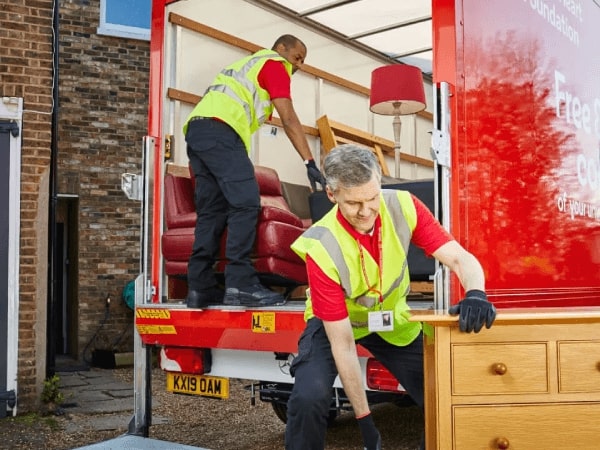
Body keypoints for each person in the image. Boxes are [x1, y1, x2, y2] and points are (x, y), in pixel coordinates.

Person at [285, 144, 496, 450]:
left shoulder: (403, 206)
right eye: (354, 203)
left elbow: (459, 258)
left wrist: (476, 292)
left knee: (447, 389)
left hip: (390, 319)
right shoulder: (321, 244)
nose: (366, 210)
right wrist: (364, 420)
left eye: (372, 197)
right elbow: (343, 345)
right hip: (334, 325)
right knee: (309, 397)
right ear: (332, 195)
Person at [183, 34, 326, 309]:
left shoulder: (246, 65)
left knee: (212, 211)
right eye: (297, 57)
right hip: (221, 131)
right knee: (247, 203)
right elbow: (289, 118)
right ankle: (241, 284)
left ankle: (200, 288)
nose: (299, 65)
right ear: (281, 48)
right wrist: (309, 162)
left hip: (198, 131)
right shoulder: (274, 64)